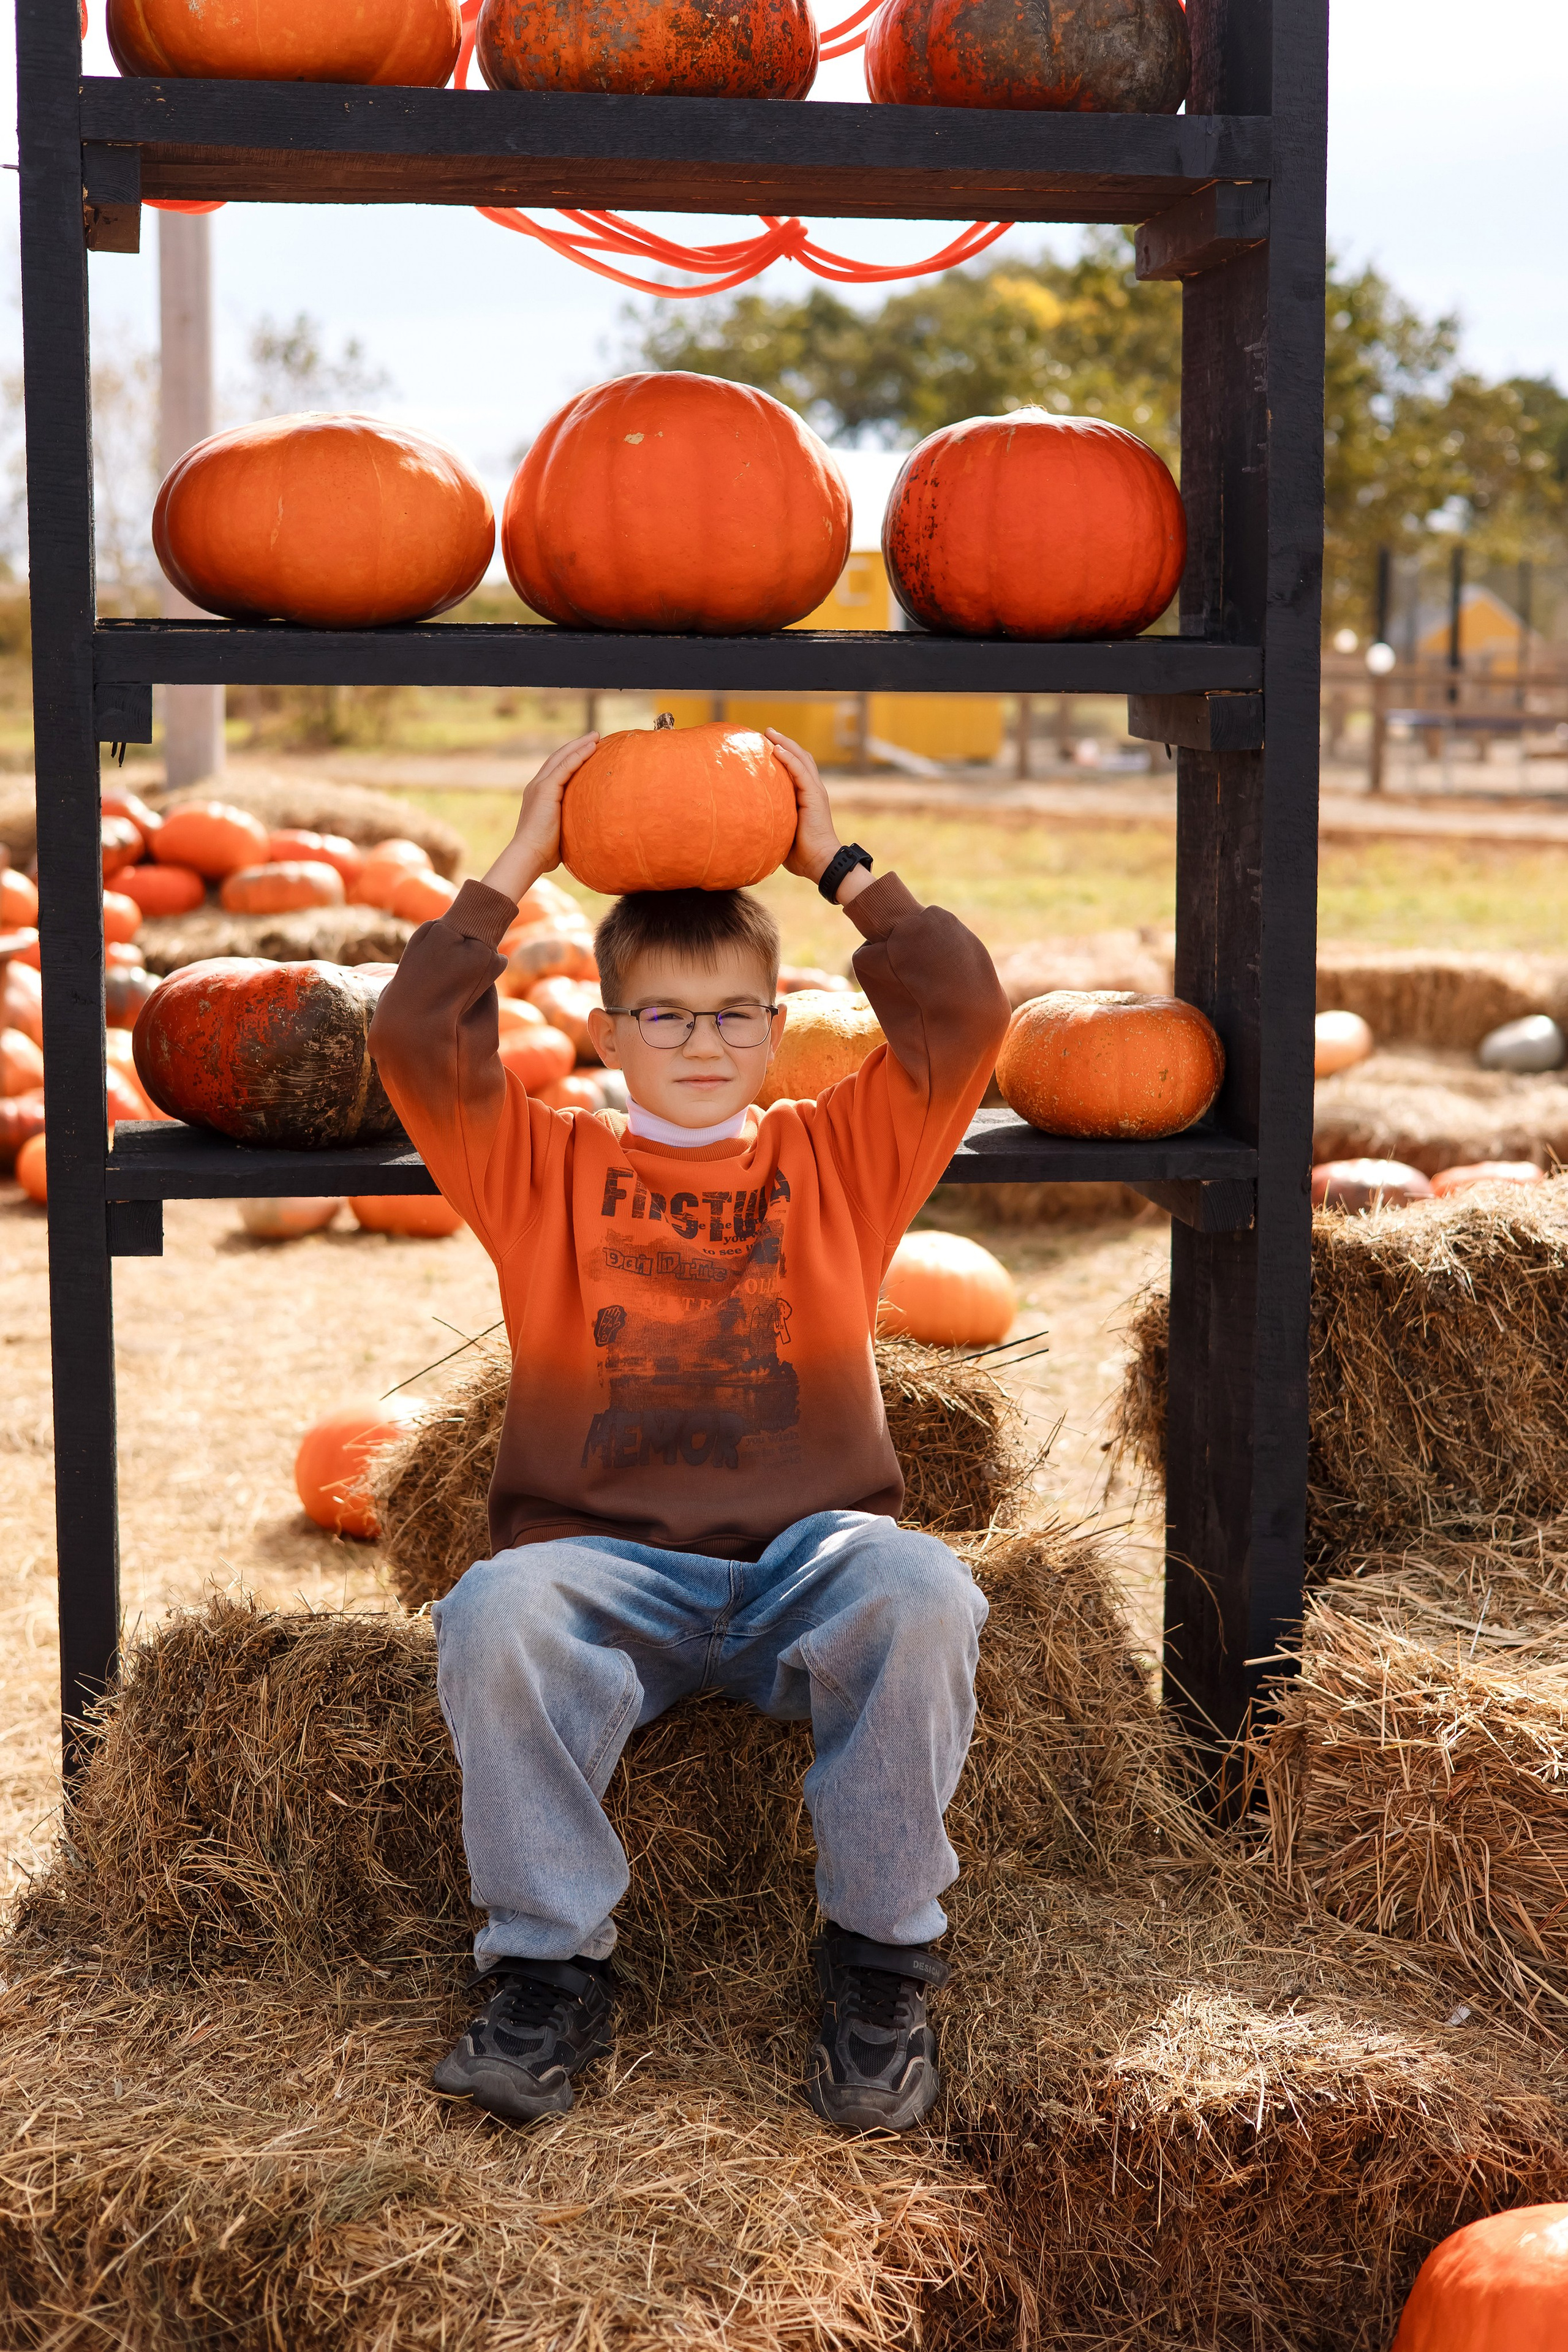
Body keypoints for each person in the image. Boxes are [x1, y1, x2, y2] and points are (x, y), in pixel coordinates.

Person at [369, 724, 1011, 2134]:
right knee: (494, 1612)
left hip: (806, 1564)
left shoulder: (835, 1159)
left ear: (777, 1030)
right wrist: (523, 857)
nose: (702, 1043)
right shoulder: (541, 1167)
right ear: (604, 1034)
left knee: (922, 1587)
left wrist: (835, 859)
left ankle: (879, 1965)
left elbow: (964, 1013)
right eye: (662, 1017)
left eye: (731, 1015)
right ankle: (547, 1972)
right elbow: (413, 1036)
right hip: (607, 1569)